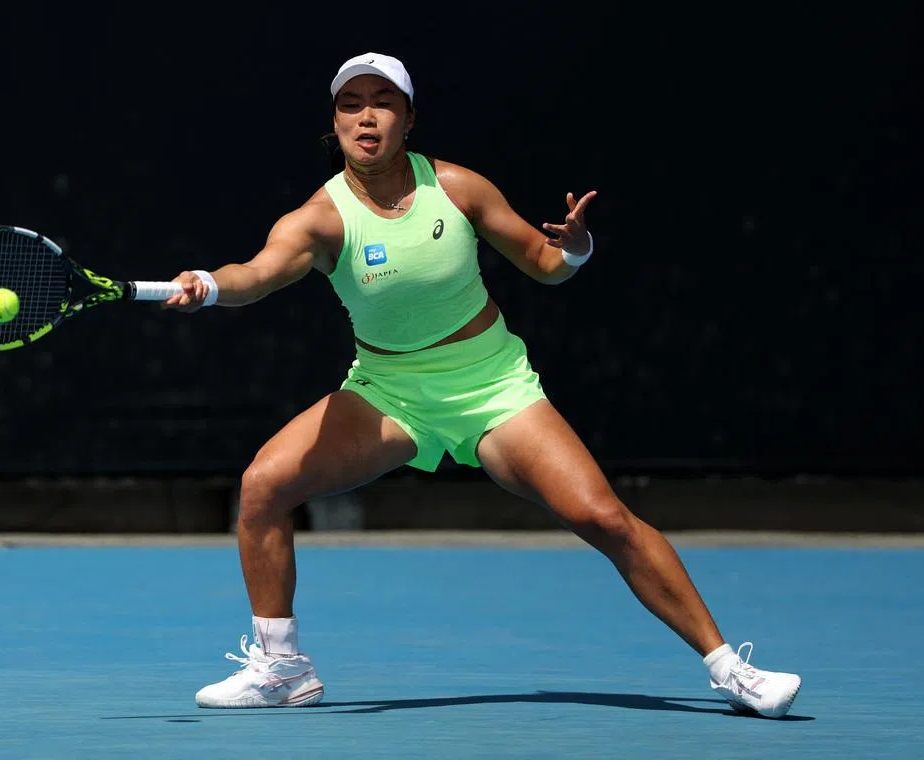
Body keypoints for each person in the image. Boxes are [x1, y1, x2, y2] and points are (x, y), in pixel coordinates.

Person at [164, 52, 802, 718]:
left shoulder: (460, 189)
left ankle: (732, 670)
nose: (367, 116)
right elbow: (257, 274)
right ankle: (282, 669)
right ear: (335, 123)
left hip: (493, 386)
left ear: (409, 119)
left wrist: (577, 248)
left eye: (384, 101)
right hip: (389, 392)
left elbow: (545, 264)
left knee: (602, 516)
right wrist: (209, 285)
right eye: (351, 104)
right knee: (264, 484)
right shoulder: (319, 220)